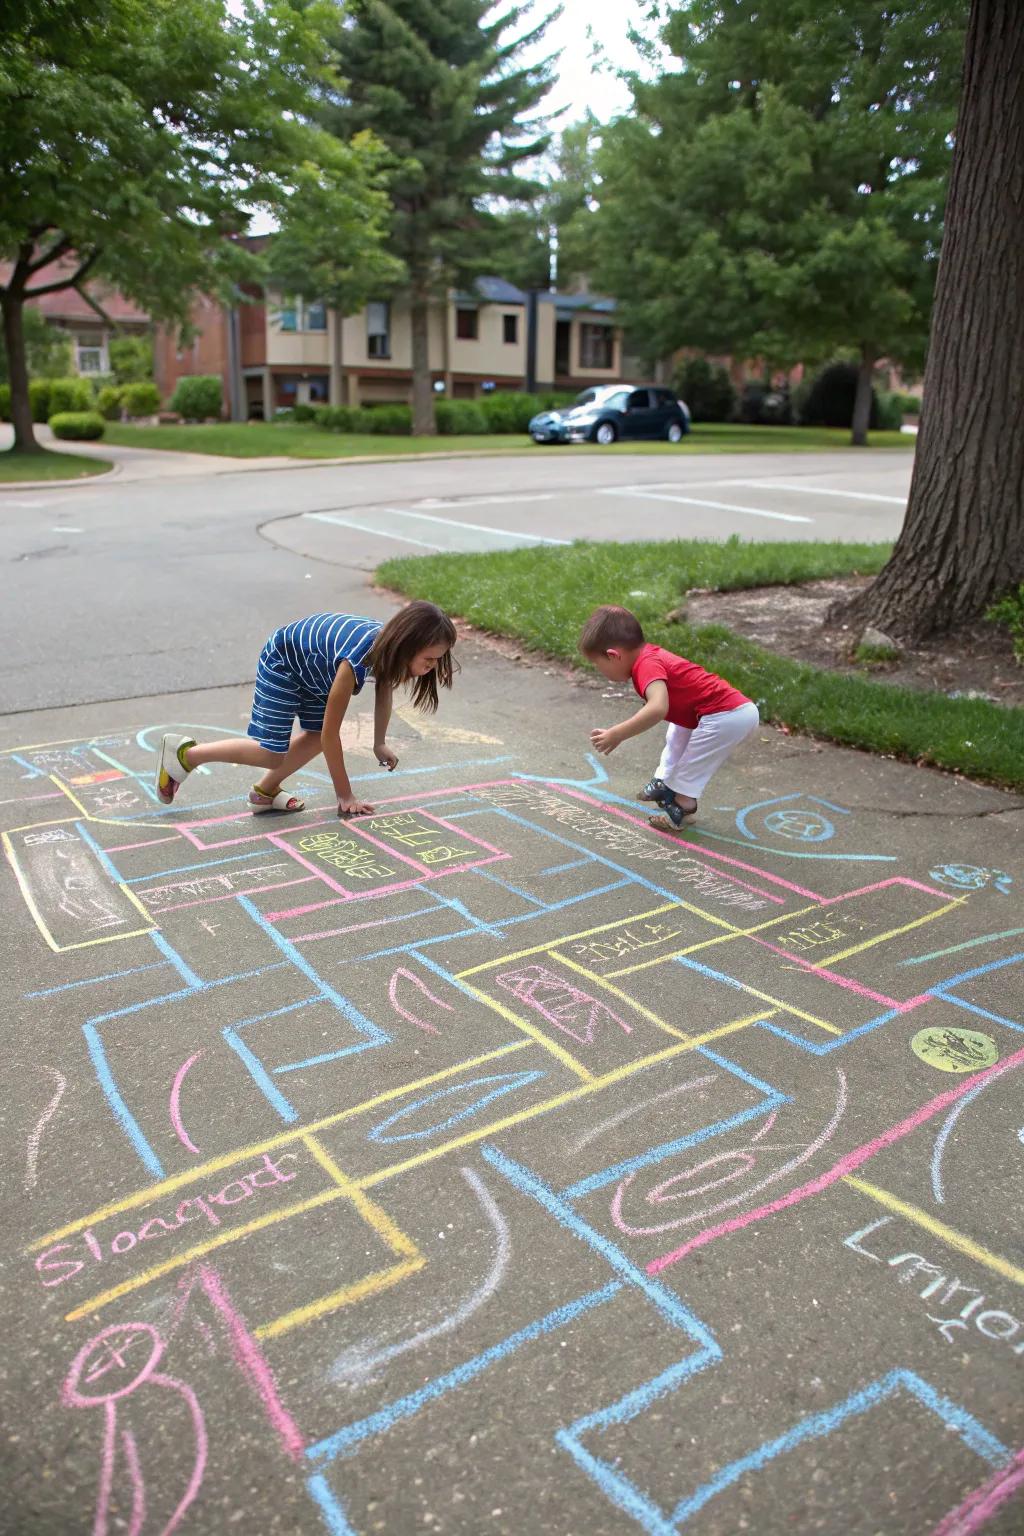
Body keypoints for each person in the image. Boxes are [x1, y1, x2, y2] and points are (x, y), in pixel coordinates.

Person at [155, 602, 457, 818]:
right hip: (285, 662)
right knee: (273, 753)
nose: (431, 667)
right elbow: (331, 736)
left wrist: (379, 742)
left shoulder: (387, 649)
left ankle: (264, 793)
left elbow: (384, 690)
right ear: (406, 645)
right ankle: (186, 754)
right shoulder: (354, 661)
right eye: (429, 659)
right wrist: (345, 796)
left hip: (315, 669)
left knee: (312, 736)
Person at [579, 605, 759, 829]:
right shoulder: (648, 658)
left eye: (598, 664)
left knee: (694, 759)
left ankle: (683, 805)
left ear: (614, 656)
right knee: (676, 734)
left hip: (728, 716)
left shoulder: (646, 665)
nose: (600, 671)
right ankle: (664, 781)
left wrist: (618, 734)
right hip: (714, 713)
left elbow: (657, 708)